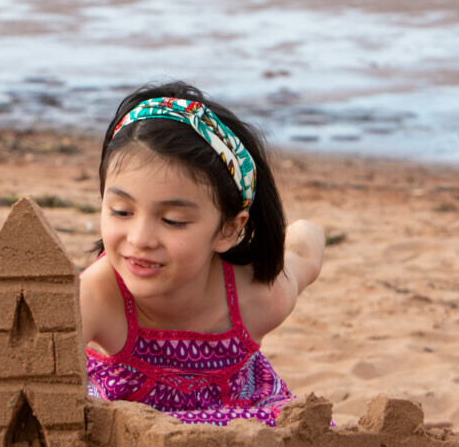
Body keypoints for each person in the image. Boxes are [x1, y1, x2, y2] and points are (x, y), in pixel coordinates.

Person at [80, 81, 325, 426]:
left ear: (228, 229)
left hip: (245, 422)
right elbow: (26, 389)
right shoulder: (93, 296)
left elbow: (306, 250)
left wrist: (301, 232)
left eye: (172, 220)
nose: (140, 238)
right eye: (121, 211)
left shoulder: (259, 296)